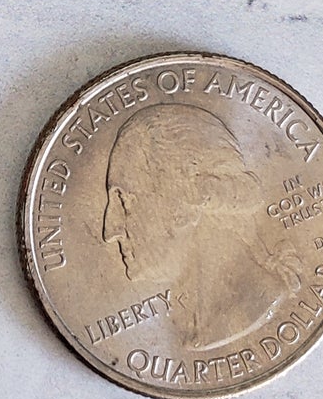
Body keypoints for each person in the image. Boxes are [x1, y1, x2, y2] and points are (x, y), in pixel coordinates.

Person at [101, 105, 302, 348]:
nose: (110, 231)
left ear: (186, 199)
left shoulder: (245, 310)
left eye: (124, 200)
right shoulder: (201, 330)